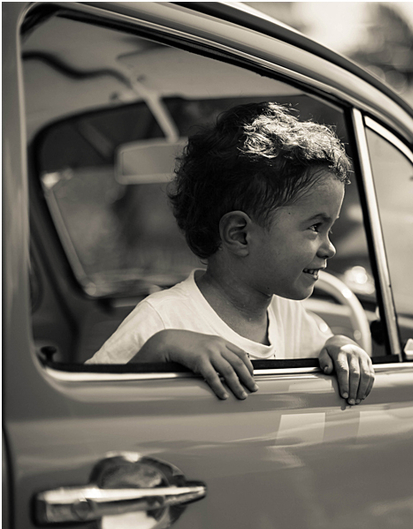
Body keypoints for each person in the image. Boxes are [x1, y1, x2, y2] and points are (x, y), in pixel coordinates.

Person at [86, 102, 374, 405]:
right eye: (315, 227)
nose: (330, 248)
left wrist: (341, 346)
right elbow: (88, 408)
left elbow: (324, 347)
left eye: (329, 229)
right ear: (240, 234)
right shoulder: (161, 319)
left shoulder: (288, 314)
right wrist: (160, 348)